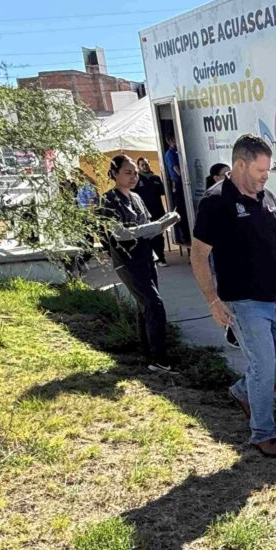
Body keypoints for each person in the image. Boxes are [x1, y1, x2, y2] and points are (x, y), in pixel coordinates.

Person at [192, 133, 276, 459]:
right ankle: (262, 435)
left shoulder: (267, 197)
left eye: (267, 171)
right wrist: (212, 301)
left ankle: (243, 391)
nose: (265, 177)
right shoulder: (216, 202)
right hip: (243, 301)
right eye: (260, 170)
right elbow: (199, 255)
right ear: (240, 164)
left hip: (275, 297)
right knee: (263, 362)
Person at [98, 155, 180, 372]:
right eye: (128, 172)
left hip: (146, 257)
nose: (133, 176)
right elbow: (121, 234)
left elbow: (145, 225)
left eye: (135, 172)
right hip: (128, 261)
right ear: (114, 174)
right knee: (154, 304)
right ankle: (159, 357)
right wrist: (158, 226)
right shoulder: (108, 201)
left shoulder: (136, 197)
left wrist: (162, 224)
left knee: (145, 307)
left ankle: (150, 355)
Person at [134, 158, 169, 267]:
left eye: (146, 164)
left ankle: (161, 258)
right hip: (144, 213)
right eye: (142, 164)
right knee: (148, 236)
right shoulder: (137, 179)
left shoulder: (156, 178)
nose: (144, 166)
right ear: (139, 166)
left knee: (159, 235)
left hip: (158, 211)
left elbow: (163, 192)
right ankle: (151, 258)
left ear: (149, 164)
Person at [163, 134, 190, 245]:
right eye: (175, 140)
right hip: (179, 183)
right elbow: (177, 170)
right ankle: (184, 236)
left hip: (182, 182)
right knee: (182, 209)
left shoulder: (179, 152)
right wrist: (186, 178)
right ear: (170, 141)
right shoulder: (170, 154)